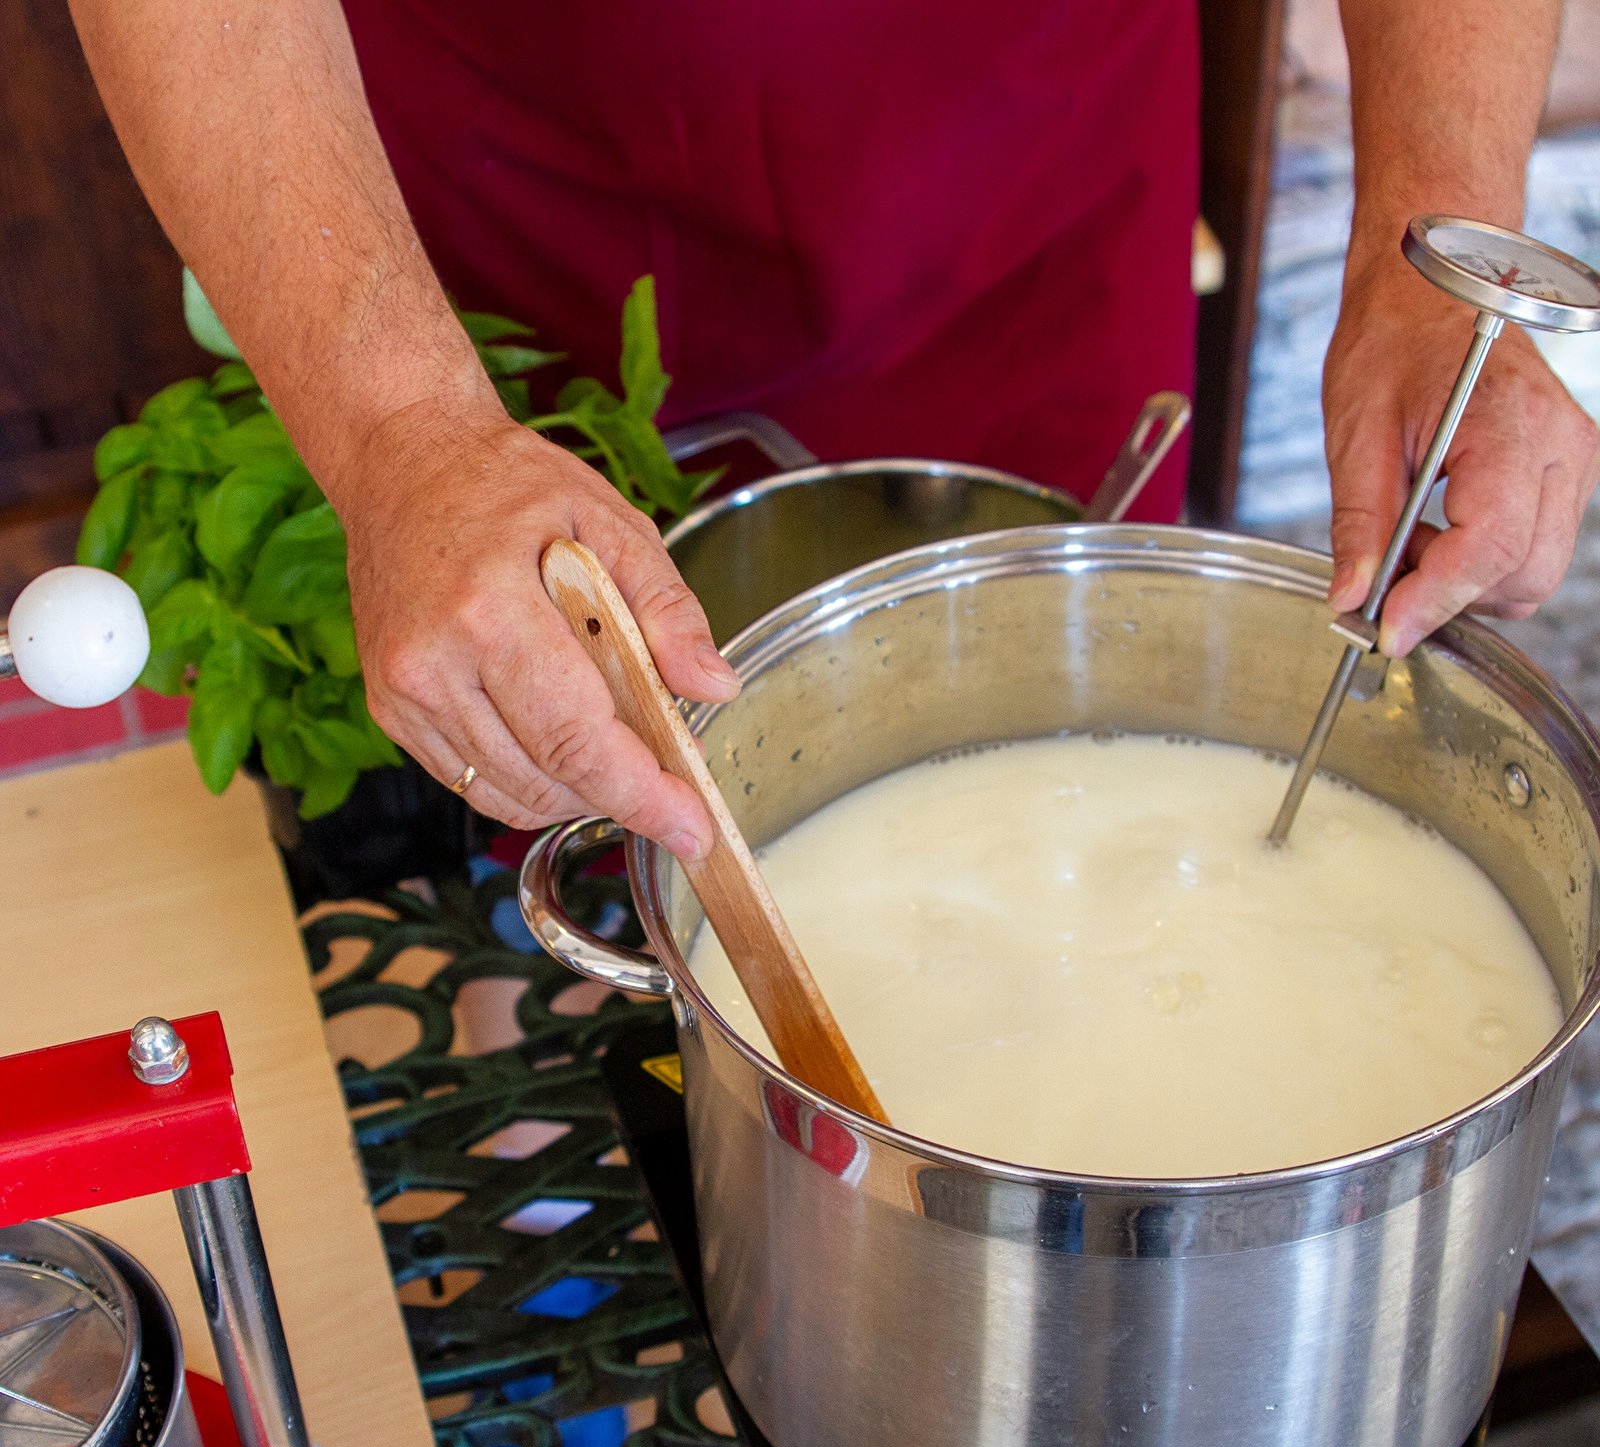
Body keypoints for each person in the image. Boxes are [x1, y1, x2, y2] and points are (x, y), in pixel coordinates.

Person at [68, 0, 1599, 861]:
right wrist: (404, 423)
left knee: (1064, 770)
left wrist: (1440, 224)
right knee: (547, 773)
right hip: (509, 209)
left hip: (1033, 198)